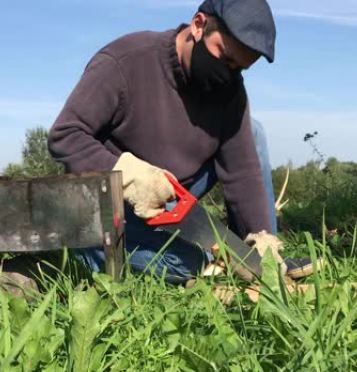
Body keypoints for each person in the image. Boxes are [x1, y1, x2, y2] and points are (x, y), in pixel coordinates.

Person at [48, 0, 314, 283]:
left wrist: (263, 239)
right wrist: (128, 175)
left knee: (253, 131)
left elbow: (242, 172)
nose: (229, 74)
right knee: (187, 262)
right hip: (107, 209)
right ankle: (204, 260)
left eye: (239, 69)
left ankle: (258, 260)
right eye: (224, 57)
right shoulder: (126, 61)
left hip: (174, 204)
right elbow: (66, 136)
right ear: (198, 25)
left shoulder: (230, 92)